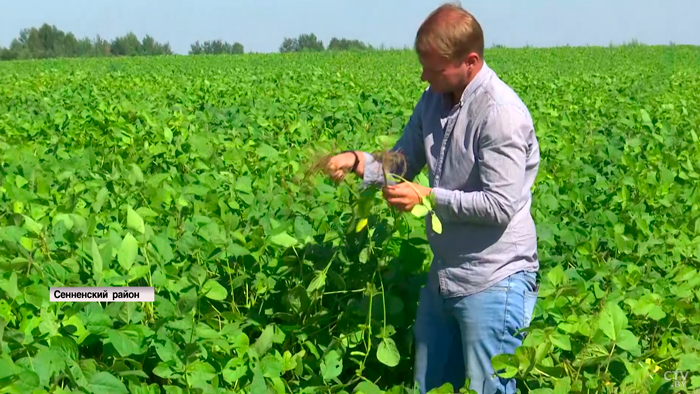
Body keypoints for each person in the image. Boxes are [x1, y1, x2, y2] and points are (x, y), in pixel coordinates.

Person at [322, 2, 540, 394]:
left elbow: (500, 206)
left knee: (487, 389)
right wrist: (357, 161)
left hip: (494, 279)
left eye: (434, 68)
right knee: (429, 386)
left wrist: (427, 196)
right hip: (445, 276)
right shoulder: (433, 100)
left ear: (470, 62)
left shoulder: (500, 114)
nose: (424, 75)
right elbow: (403, 161)